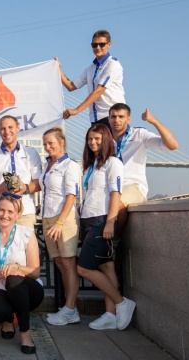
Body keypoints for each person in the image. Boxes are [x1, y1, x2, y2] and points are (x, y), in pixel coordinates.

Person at [77, 124, 135, 331]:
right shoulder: (91, 165)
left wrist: (110, 222)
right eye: (90, 139)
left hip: (102, 220)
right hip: (88, 219)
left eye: (97, 139)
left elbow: (115, 193)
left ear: (106, 140)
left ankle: (121, 302)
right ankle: (110, 314)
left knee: (83, 268)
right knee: (106, 267)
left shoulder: (113, 163)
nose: (93, 142)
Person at [0, 195, 44, 355]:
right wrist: (3, 272)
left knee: (14, 279)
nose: (5, 215)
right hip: (1, 288)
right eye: (1, 210)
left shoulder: (27, 234)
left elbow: (35, 272)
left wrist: (16, 268)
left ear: (18, 214)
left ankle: (25, 334)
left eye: (10, 211)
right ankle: (7, 320)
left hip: (27, 290)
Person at [109, 103, 178, 235]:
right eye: (113, 116)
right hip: (110, 186)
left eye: (121, 117)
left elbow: (173, 145)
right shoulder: (104, 138)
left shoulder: (139, 134)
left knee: (116, 204)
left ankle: (116, 242)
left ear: (129, 119)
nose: (117, 120)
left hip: (133, 185)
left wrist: (154, 121)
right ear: (109, 118)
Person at [39, 127, 83, 326]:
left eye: (51, 143)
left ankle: (70, 309)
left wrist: (59, 222)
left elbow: (71, 196)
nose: (47, 147)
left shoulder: (69, 165)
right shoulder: (47, 165)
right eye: (45, 144)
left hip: (63, 219)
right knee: (59, 263)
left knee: (68, 263)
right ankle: (69, 308)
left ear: (62, 143)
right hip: (47, 218)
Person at [0, 115, 42, 228]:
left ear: (18, 128)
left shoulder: (31, 153)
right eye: (3, 128)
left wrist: (25, 188)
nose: (6, 131)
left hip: (25, 212)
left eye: (10, 127)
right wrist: (0, 188)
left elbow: (39, 184)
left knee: (26, 240)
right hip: (0, 212)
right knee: (0, 240)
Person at [58, 30, 125, 128]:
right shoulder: (91, 68)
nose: (98, 47)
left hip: (112, 116)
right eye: (94, 45)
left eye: (101, 44)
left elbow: (99, 90)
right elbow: (71, 86)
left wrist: (77, 110)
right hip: (95, 118)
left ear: (109, 44)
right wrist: (57, 68)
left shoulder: (112, 64)